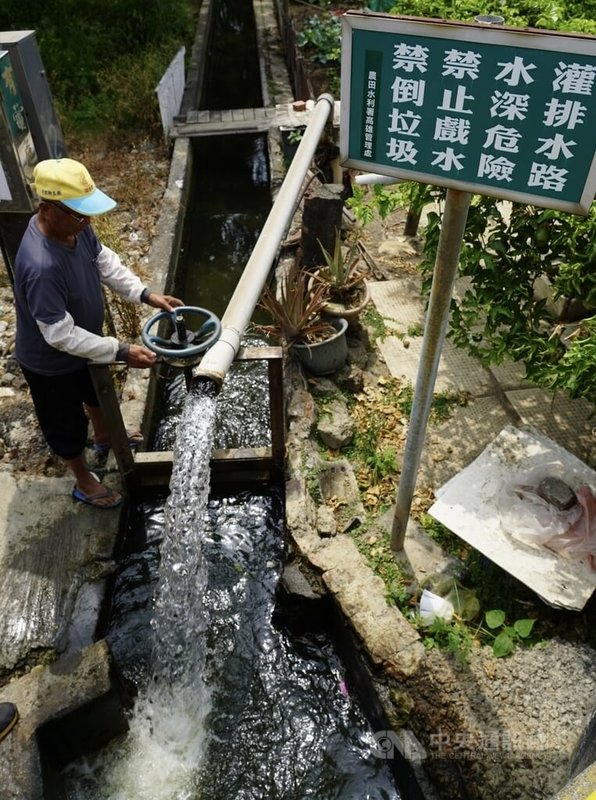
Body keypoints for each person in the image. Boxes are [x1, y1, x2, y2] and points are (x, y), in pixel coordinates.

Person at [14, 158, 184, 508]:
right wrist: (121, 350)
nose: (88, 221)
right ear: (47, 209)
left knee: (93, 391)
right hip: (50, 363)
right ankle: (82, 479)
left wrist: (144, 294)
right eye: (80, 214)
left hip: (86, 340)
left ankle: (105, 435)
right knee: (66, 425)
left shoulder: (73, 227)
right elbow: (59, 335)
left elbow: (104, 260)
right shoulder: (40, 265)